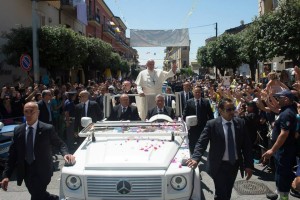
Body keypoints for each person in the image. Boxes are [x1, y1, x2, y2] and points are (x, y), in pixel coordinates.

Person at [0, 102, 75, 200]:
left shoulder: (47, 129)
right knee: (38, 194)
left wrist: (66, 154)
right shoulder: (18, 130)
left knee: (36, 195)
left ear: (38, 113)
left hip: (43, 170)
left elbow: (60, 144)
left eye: (31, 111)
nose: (28, 114)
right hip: (26, 170)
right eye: (26, 112)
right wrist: (6, 176)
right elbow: (12, 155)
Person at [186, 98, 253, 200]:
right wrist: (195, 158)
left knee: (228, 191)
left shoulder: (240, 123)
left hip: (234, 165)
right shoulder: (212, 124)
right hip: (218, 165)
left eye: (233, 109)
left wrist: (248, 165)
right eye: (228, 110)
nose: (232, 112)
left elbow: (246, 146)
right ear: (220, 111)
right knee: (221, 193)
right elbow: (201, 143)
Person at [262, 90, 298, 200]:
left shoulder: (287, 113)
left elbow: (284, 134)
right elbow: (274, 108)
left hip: (285, 150)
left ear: (286, 99)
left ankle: (283, 198)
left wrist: (272, 150)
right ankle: (279, 193)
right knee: (279, 173)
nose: (278, 99)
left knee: (283, 175)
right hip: (282, 150)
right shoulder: (285, 110)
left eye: (280, 97)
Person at [183, 85, 214, 154]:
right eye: (196, 92)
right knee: (192, 143)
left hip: (202, 127)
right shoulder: (189, 102)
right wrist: (186, 123)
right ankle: (193, 155)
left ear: (201, 93)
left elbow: (210, 115)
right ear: (193, 92)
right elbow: (185, 114)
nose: (197, 94)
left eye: (199, 92)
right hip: (192, 127)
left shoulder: (206, 102)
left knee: (201, 142)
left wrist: (210, 126)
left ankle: (199, 154)